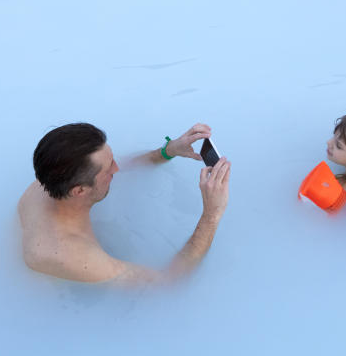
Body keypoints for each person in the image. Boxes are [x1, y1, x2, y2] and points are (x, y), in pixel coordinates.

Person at [18, 122, 231, 284]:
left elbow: (127, 166)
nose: (117, 169)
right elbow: (168, 281)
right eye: (109, 167)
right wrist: (212, 214)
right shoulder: (74, 255)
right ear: (80, 190)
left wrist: (168, 150)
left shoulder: (56, 172)